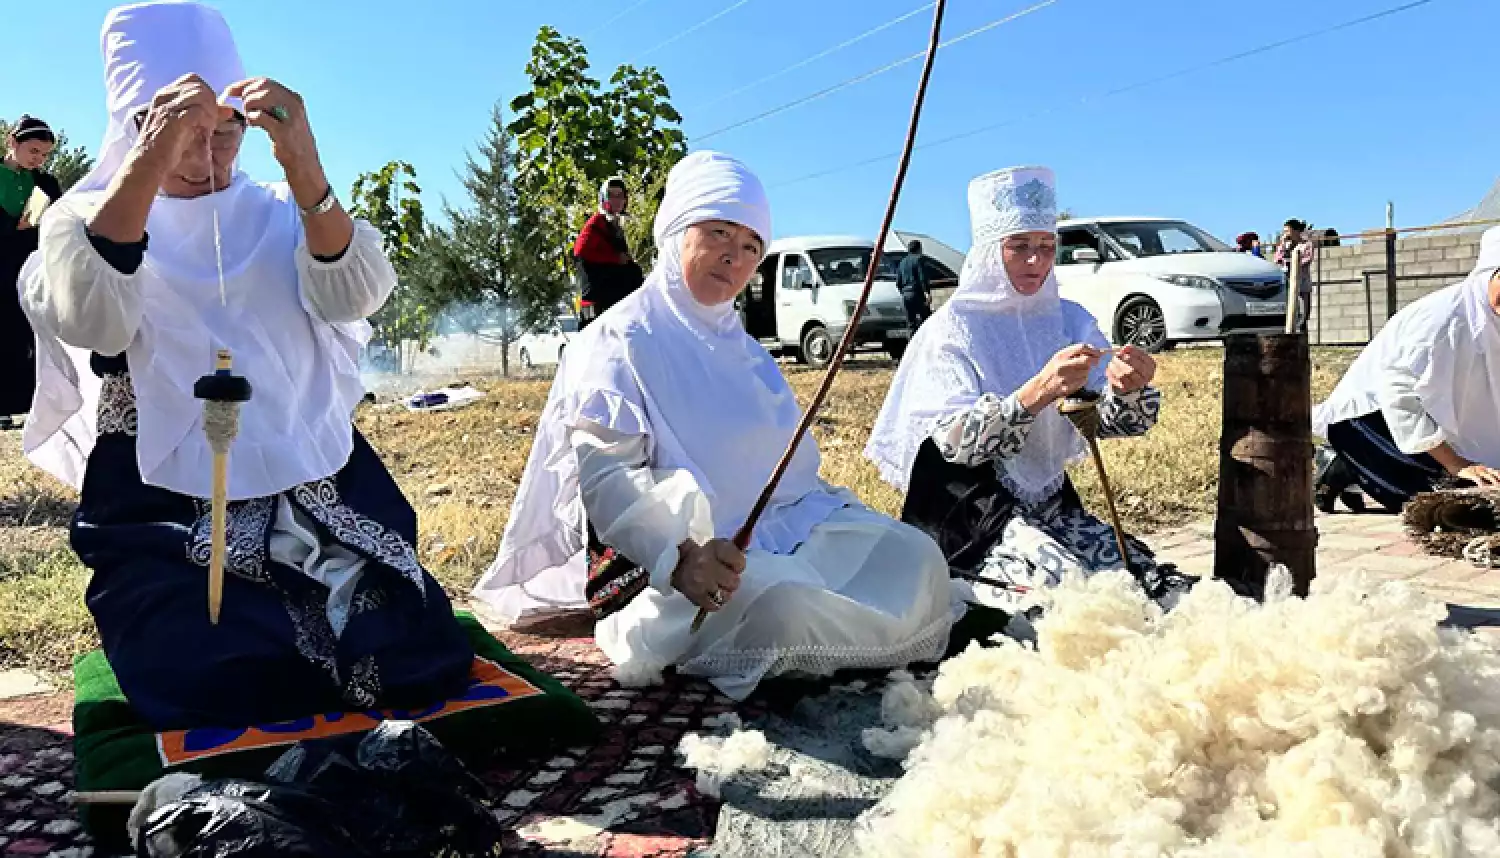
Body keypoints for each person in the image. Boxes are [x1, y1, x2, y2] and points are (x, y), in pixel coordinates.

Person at [19, 1, 472, 730]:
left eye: (225, 132)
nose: (208, 156)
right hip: (158, 496)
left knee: (411, 651)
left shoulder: (280, 206)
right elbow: (94, 318)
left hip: (312, 478)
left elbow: (357, 293)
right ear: (137, 127)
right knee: (209, 673)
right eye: (182, 135)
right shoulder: (87, 217)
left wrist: (304, 163)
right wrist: (147, 167)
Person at [476, 151, 957, 701]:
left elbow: (795, 479)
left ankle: (838, 632)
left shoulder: (749, 353)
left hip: (788, 533)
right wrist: (681, 559)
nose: (735, 256)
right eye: (720, 233)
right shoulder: (616, 341)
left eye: (752, 246)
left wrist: (843, 519)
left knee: (918, 560)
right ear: (677, 230)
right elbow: (609, 477)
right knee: (785, 610)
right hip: (686, 565)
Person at [866, 166, 1192, 617]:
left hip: (1050, 506)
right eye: (1019, 247)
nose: (1036, 262)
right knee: (1066, 602)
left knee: (1146, 583)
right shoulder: (951, 331)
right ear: (988, 252)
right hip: (969, 514)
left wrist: (1129, 389)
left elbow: (1112, 423)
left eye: (1046, 247)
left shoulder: (1069, 319)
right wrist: (1036, 393)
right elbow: (954, 445)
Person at [1312, 226, 1500, 513]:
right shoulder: (1441, 319)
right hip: (1373, 421)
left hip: (1441, 428)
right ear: (1489, 273)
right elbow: (1397, 394)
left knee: (1484, 490)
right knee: (1442, 504)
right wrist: (1457, 464)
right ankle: (1342, 466)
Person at [1, 116, 62, 430]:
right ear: (14, 142)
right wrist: (14, 226)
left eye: (44, 154)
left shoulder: (47, 184)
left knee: (29, 332)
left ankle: (29, 403)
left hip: (31, 267)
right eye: (34, 150)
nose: (38, 159)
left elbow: (61, 220)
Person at [573, 177, 645, 328]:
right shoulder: (597, 221)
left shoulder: (616, 223)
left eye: (620, 195)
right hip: (596, 304)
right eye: (612, 195)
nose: (617, 200)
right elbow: (580, 250)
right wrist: (615, 258)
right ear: (603, 197)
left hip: (613, 305)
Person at [1275, 219, 1316, 332]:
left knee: (1303, 315)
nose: (1286, 234)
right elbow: (1277, 259)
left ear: (1296, 231)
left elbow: (1306, 260)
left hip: (1302, 284)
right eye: (1284, 231)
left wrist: (1293, 261)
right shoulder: (1285, 245)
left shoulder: (1306, 245)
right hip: (1287, 284)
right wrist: (1282, 245)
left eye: (1288, 231)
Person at [896, 238, 933, 331]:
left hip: (906, 294)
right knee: (927, 321)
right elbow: (922, 278)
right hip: (917, 293)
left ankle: (912, 344)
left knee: (911, 324)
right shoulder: (919, 259)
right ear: (919, 249)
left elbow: (898, 282)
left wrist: (904, 293)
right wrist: (927, 293)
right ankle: (926, 343)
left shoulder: (902, 262)